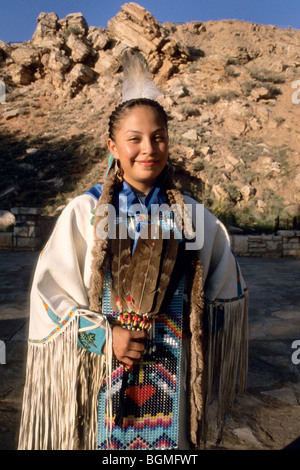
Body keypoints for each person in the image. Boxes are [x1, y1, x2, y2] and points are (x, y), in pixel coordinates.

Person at [18, 51, 248, 451]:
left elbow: (224, 290)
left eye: (159, 137)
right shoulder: (86, 212)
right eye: (135, 138)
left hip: (173, 373)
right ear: (113, 145)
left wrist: (202, 333)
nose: (148, 148)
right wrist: (103, 338)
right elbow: (49, 295)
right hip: (104, 370)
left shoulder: (192, 215)